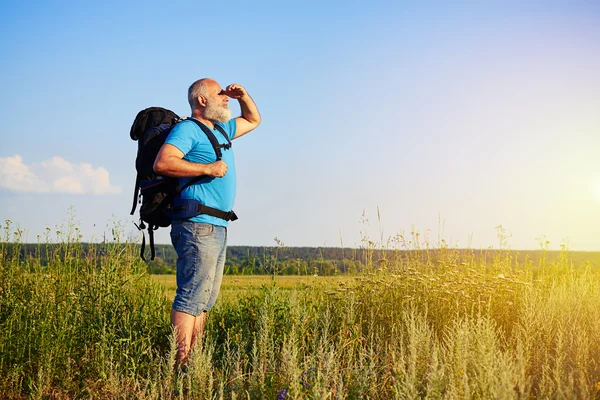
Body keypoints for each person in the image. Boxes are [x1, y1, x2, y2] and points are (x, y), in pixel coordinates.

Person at [153, 78, 260, 366]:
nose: (225, 98)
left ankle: (193, 361)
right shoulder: (187, 129)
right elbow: (163, 163)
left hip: (218, 226)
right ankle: (181, 364)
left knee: (204, 299)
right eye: (220, 94)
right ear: (202, 100)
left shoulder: (221, 129)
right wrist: (207, 168)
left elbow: (253, 119)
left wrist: (243, 96)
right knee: (191, 297)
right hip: (197, 224)